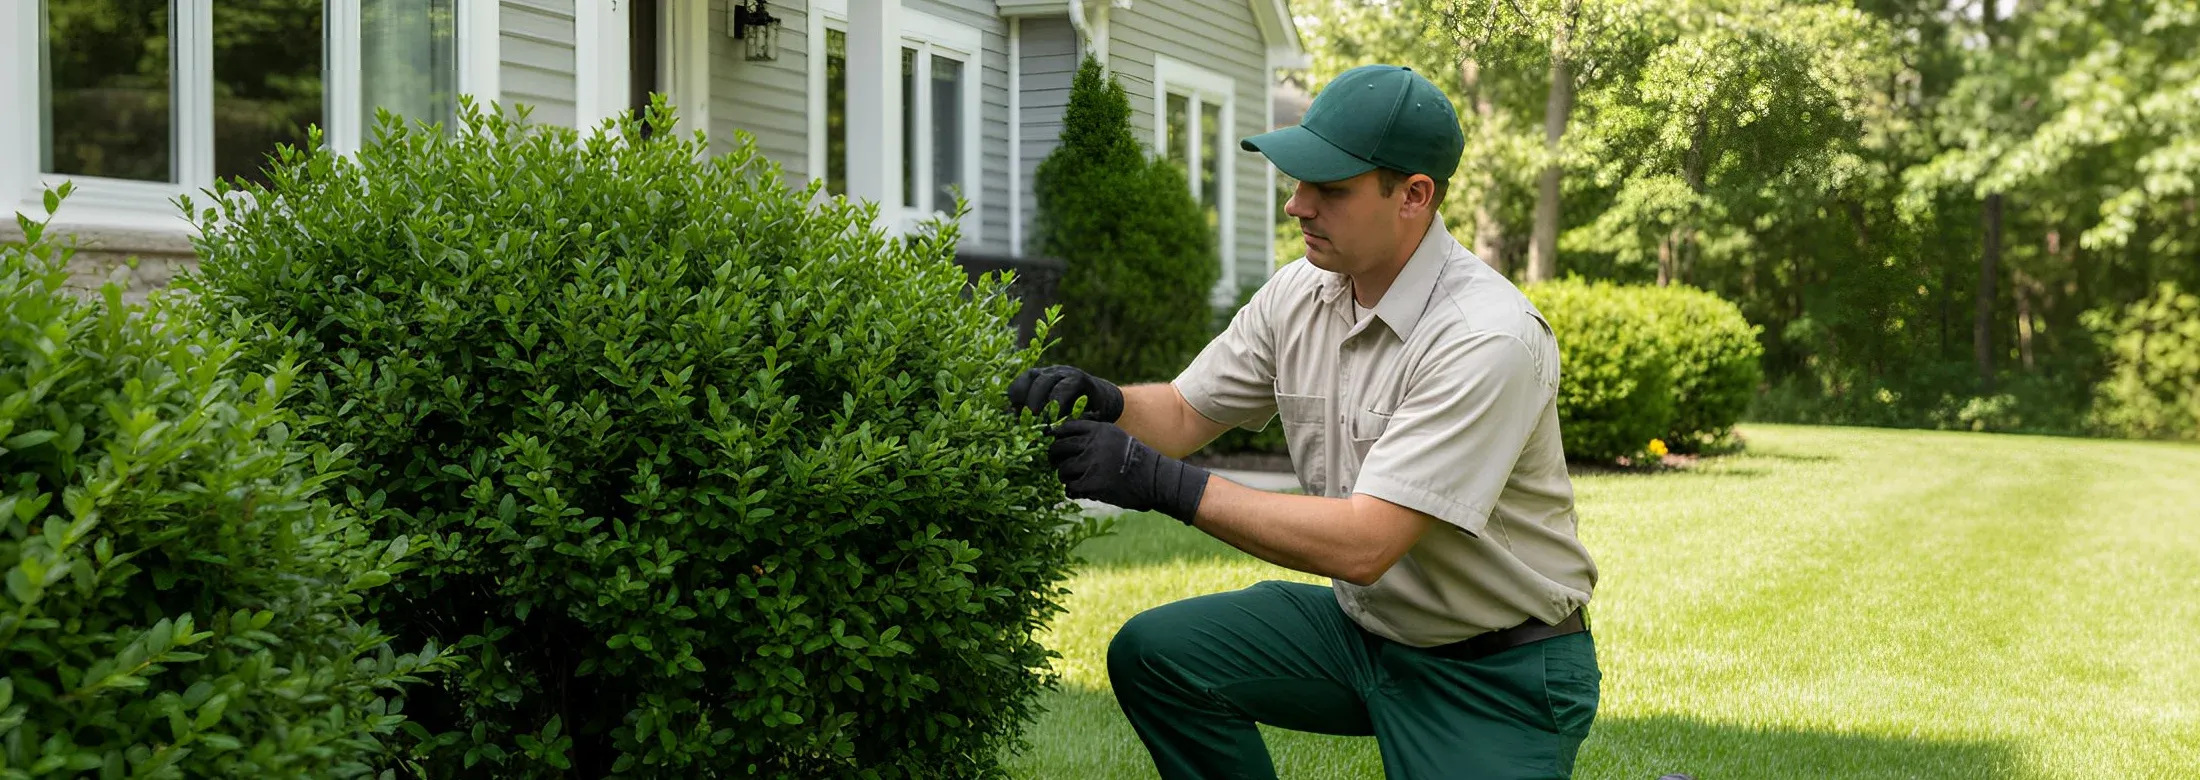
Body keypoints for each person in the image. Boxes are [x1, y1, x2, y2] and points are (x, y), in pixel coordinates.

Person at [1006, 63, 1600, 779]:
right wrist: (1106, 400)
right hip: (1363, 635)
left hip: (1500, 671)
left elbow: (1365, 546)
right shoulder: (1301, 291)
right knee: (1157, 654)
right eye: (1298, 181)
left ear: (1415, 195)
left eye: (1330, 189)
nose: (1298, 206)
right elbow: (1188, 412)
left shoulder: (1485, 337)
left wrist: (1158, 483)